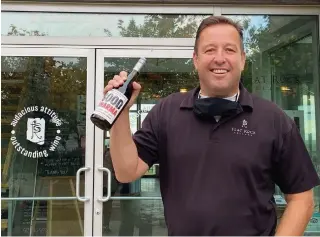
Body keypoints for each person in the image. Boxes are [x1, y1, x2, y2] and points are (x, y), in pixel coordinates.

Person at [104, 16, 320, 236]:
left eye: (229, 49)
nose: (220, 58)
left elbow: (302, 199)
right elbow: (126, 172)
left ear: (243, 59)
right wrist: (119, 114)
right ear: (195, 59)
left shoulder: (273, 119)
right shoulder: (167, 112)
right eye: (209, 50)